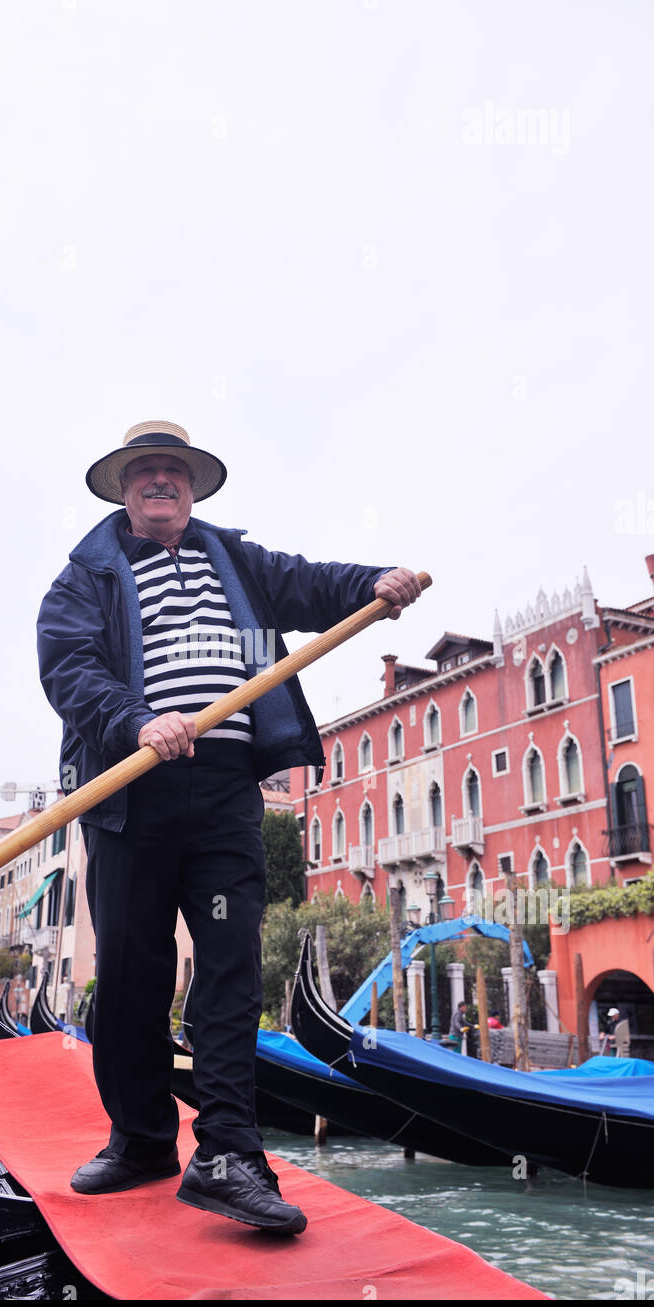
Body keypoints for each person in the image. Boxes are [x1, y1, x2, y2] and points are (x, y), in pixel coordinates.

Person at [36, 420, 421, 1234]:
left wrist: (377, 585)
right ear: (123, 489)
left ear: (192, 486)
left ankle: (229, 1155)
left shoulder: (234, 560)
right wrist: (137, 720)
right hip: (132, 793)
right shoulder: (85, 579)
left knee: (228, 968)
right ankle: (142, 1139)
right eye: (145, 472)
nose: (160, 482)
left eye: (173, 471)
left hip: (225, 795)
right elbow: (69, 669)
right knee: (135, 975)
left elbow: (314, 585)